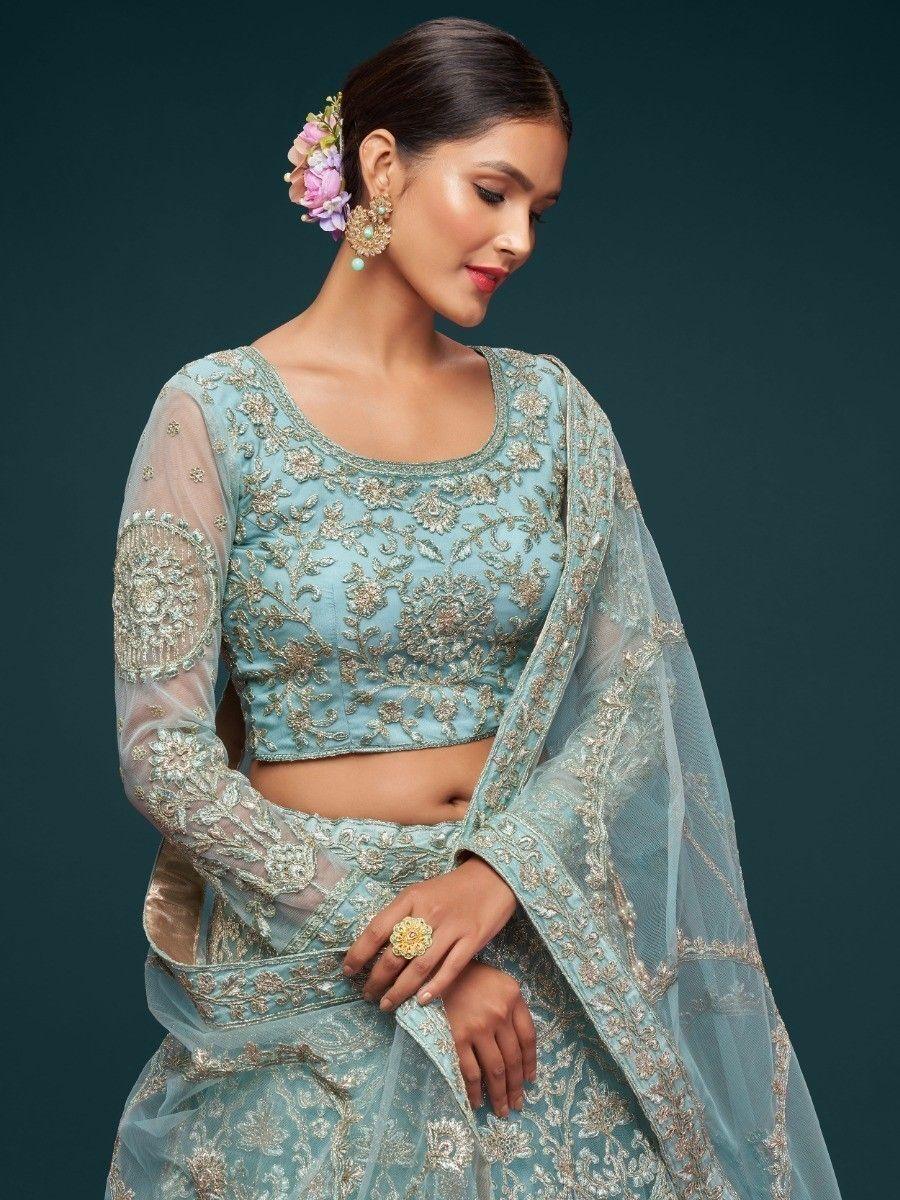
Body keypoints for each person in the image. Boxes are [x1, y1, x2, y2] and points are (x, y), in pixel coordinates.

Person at [105, 17, 843, 1200]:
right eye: (492, 192)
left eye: (539, 210)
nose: (518, 239)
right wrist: (411, 946)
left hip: (531, 936)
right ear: (382, 166)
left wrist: (493, 880)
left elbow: (630, 693)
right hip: (321, 953)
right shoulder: (213, 416)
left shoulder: (555, 415)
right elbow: (164, 757)